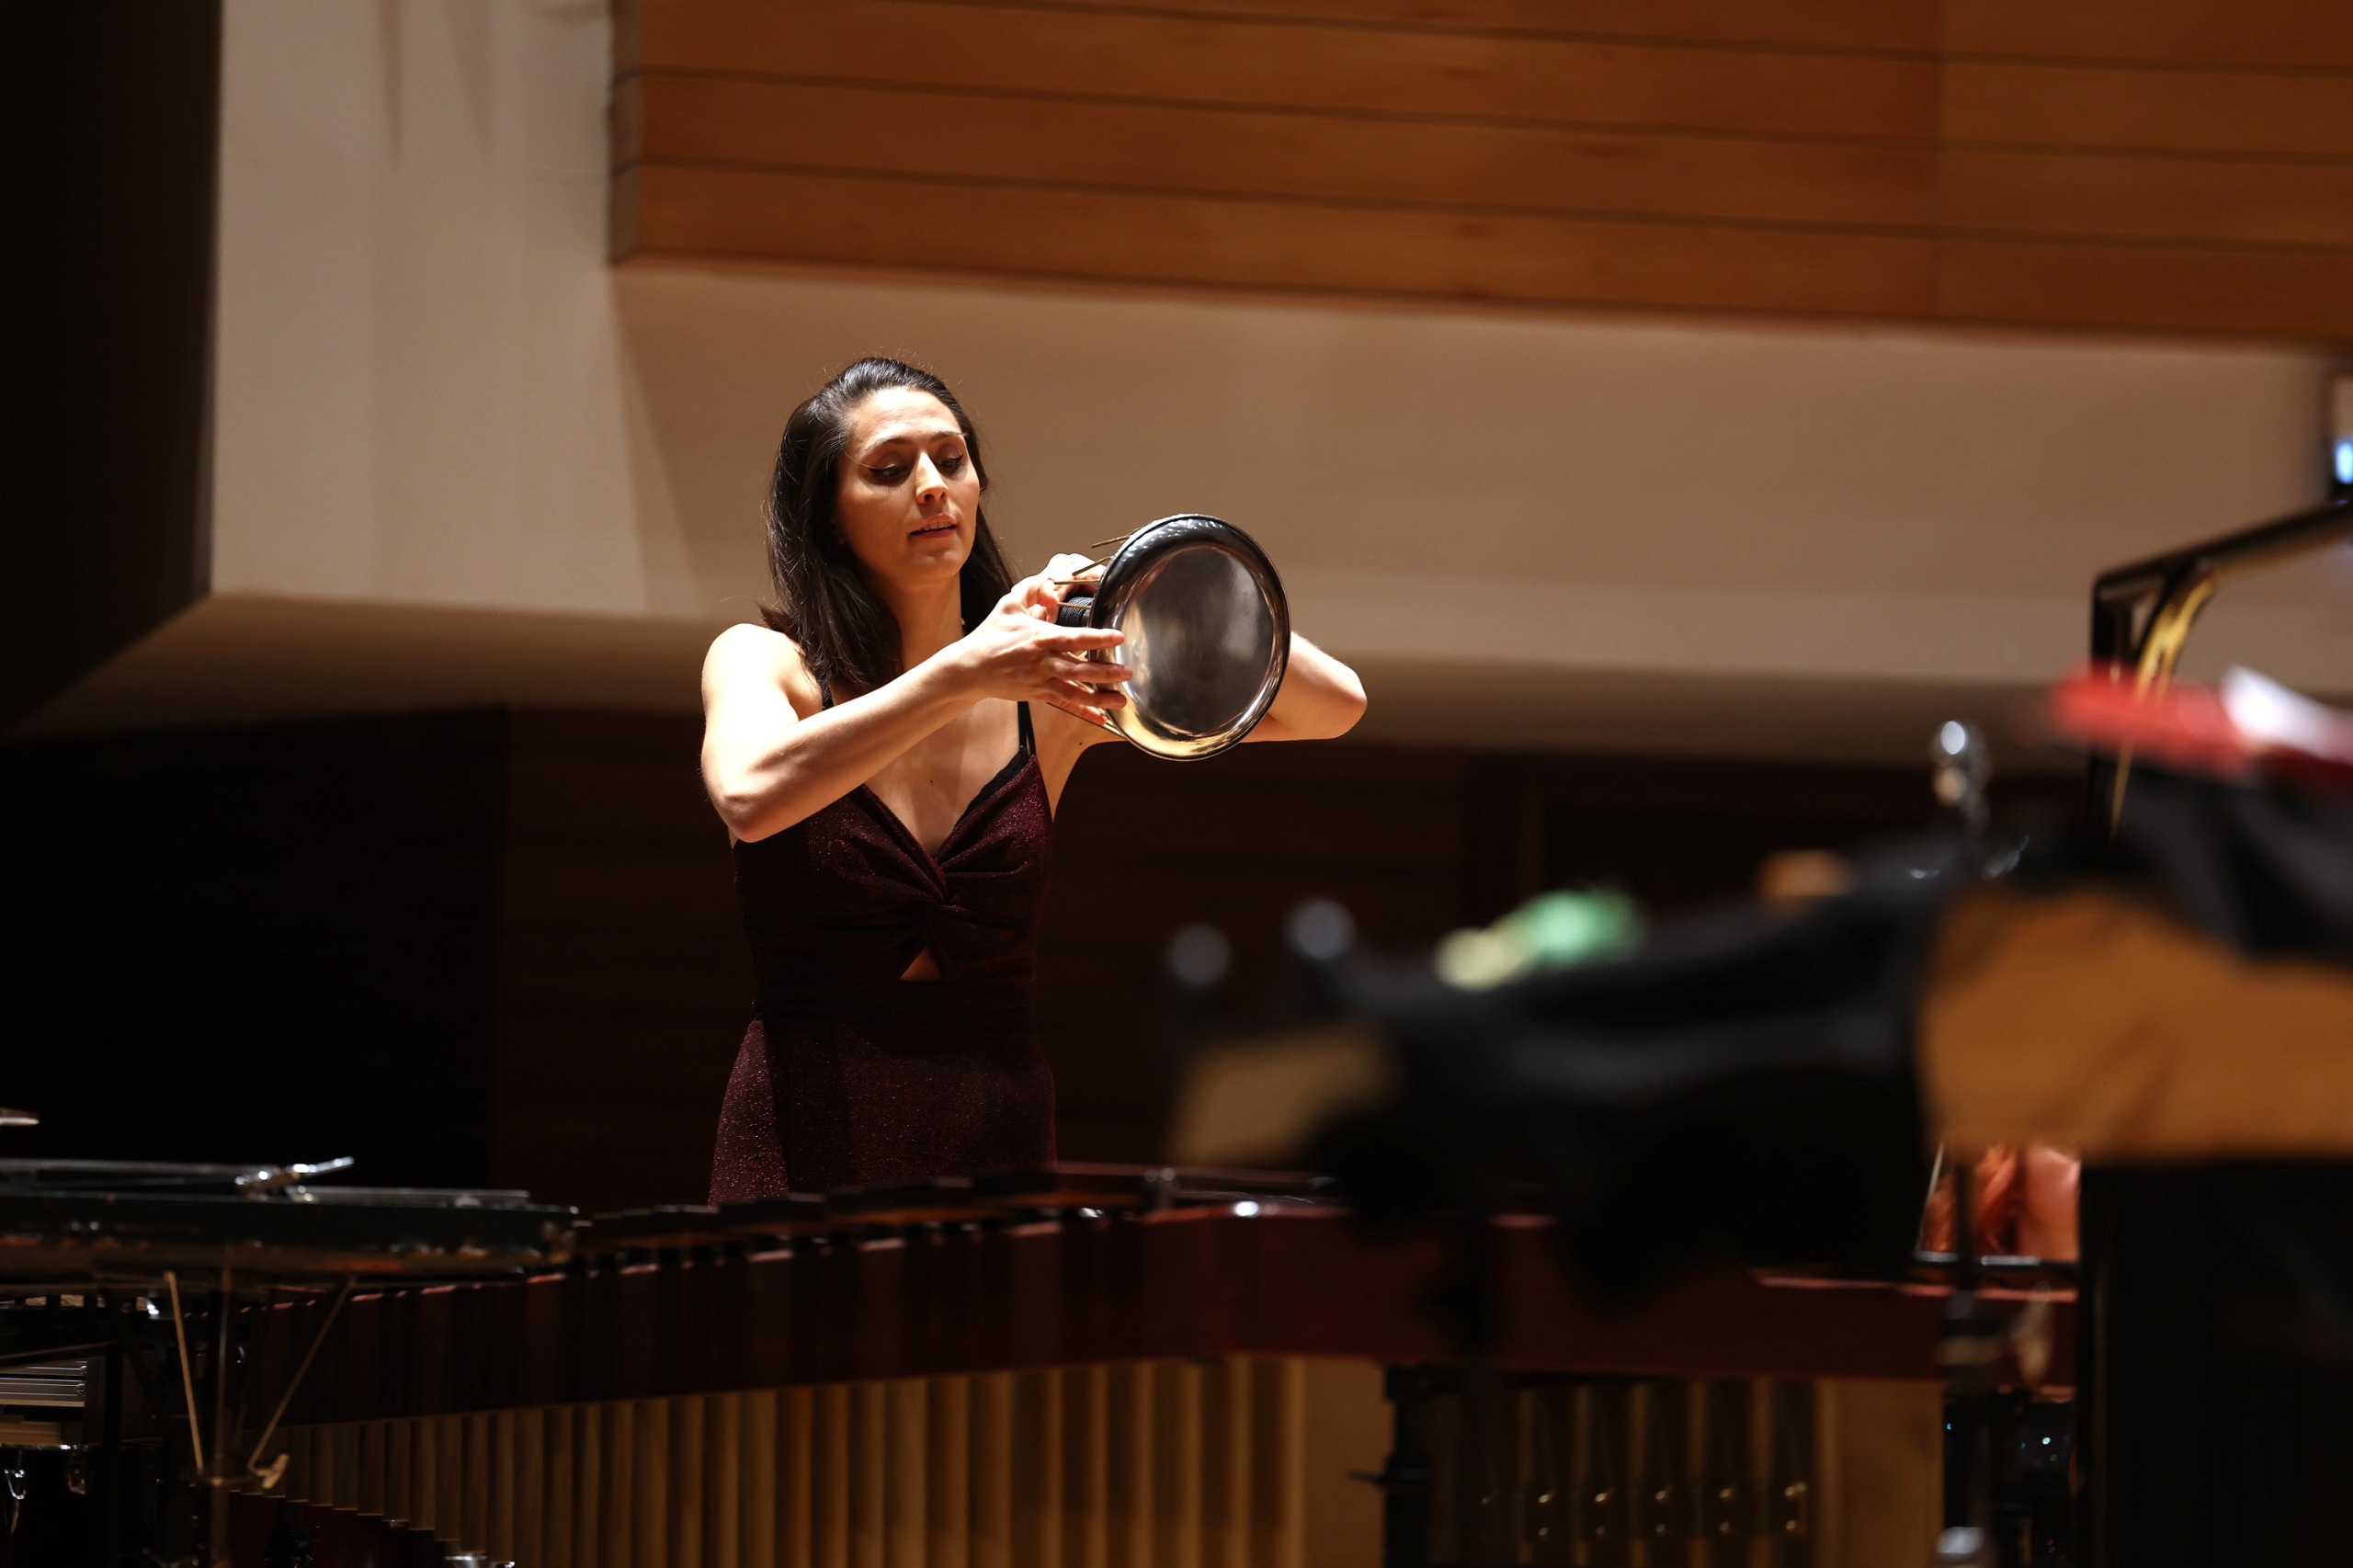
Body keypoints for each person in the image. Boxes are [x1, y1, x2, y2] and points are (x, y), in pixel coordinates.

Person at [699, 357, 1367, 1200]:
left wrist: (1139, 575)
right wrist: (964, 672)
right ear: (829, 519)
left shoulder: (1043, 695)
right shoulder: (768, 662)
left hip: (995, 1121)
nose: (934, 487)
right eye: (889, 470)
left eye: (952, 459)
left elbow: (1333, 705)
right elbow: (751, 799)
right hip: (807, 1113)